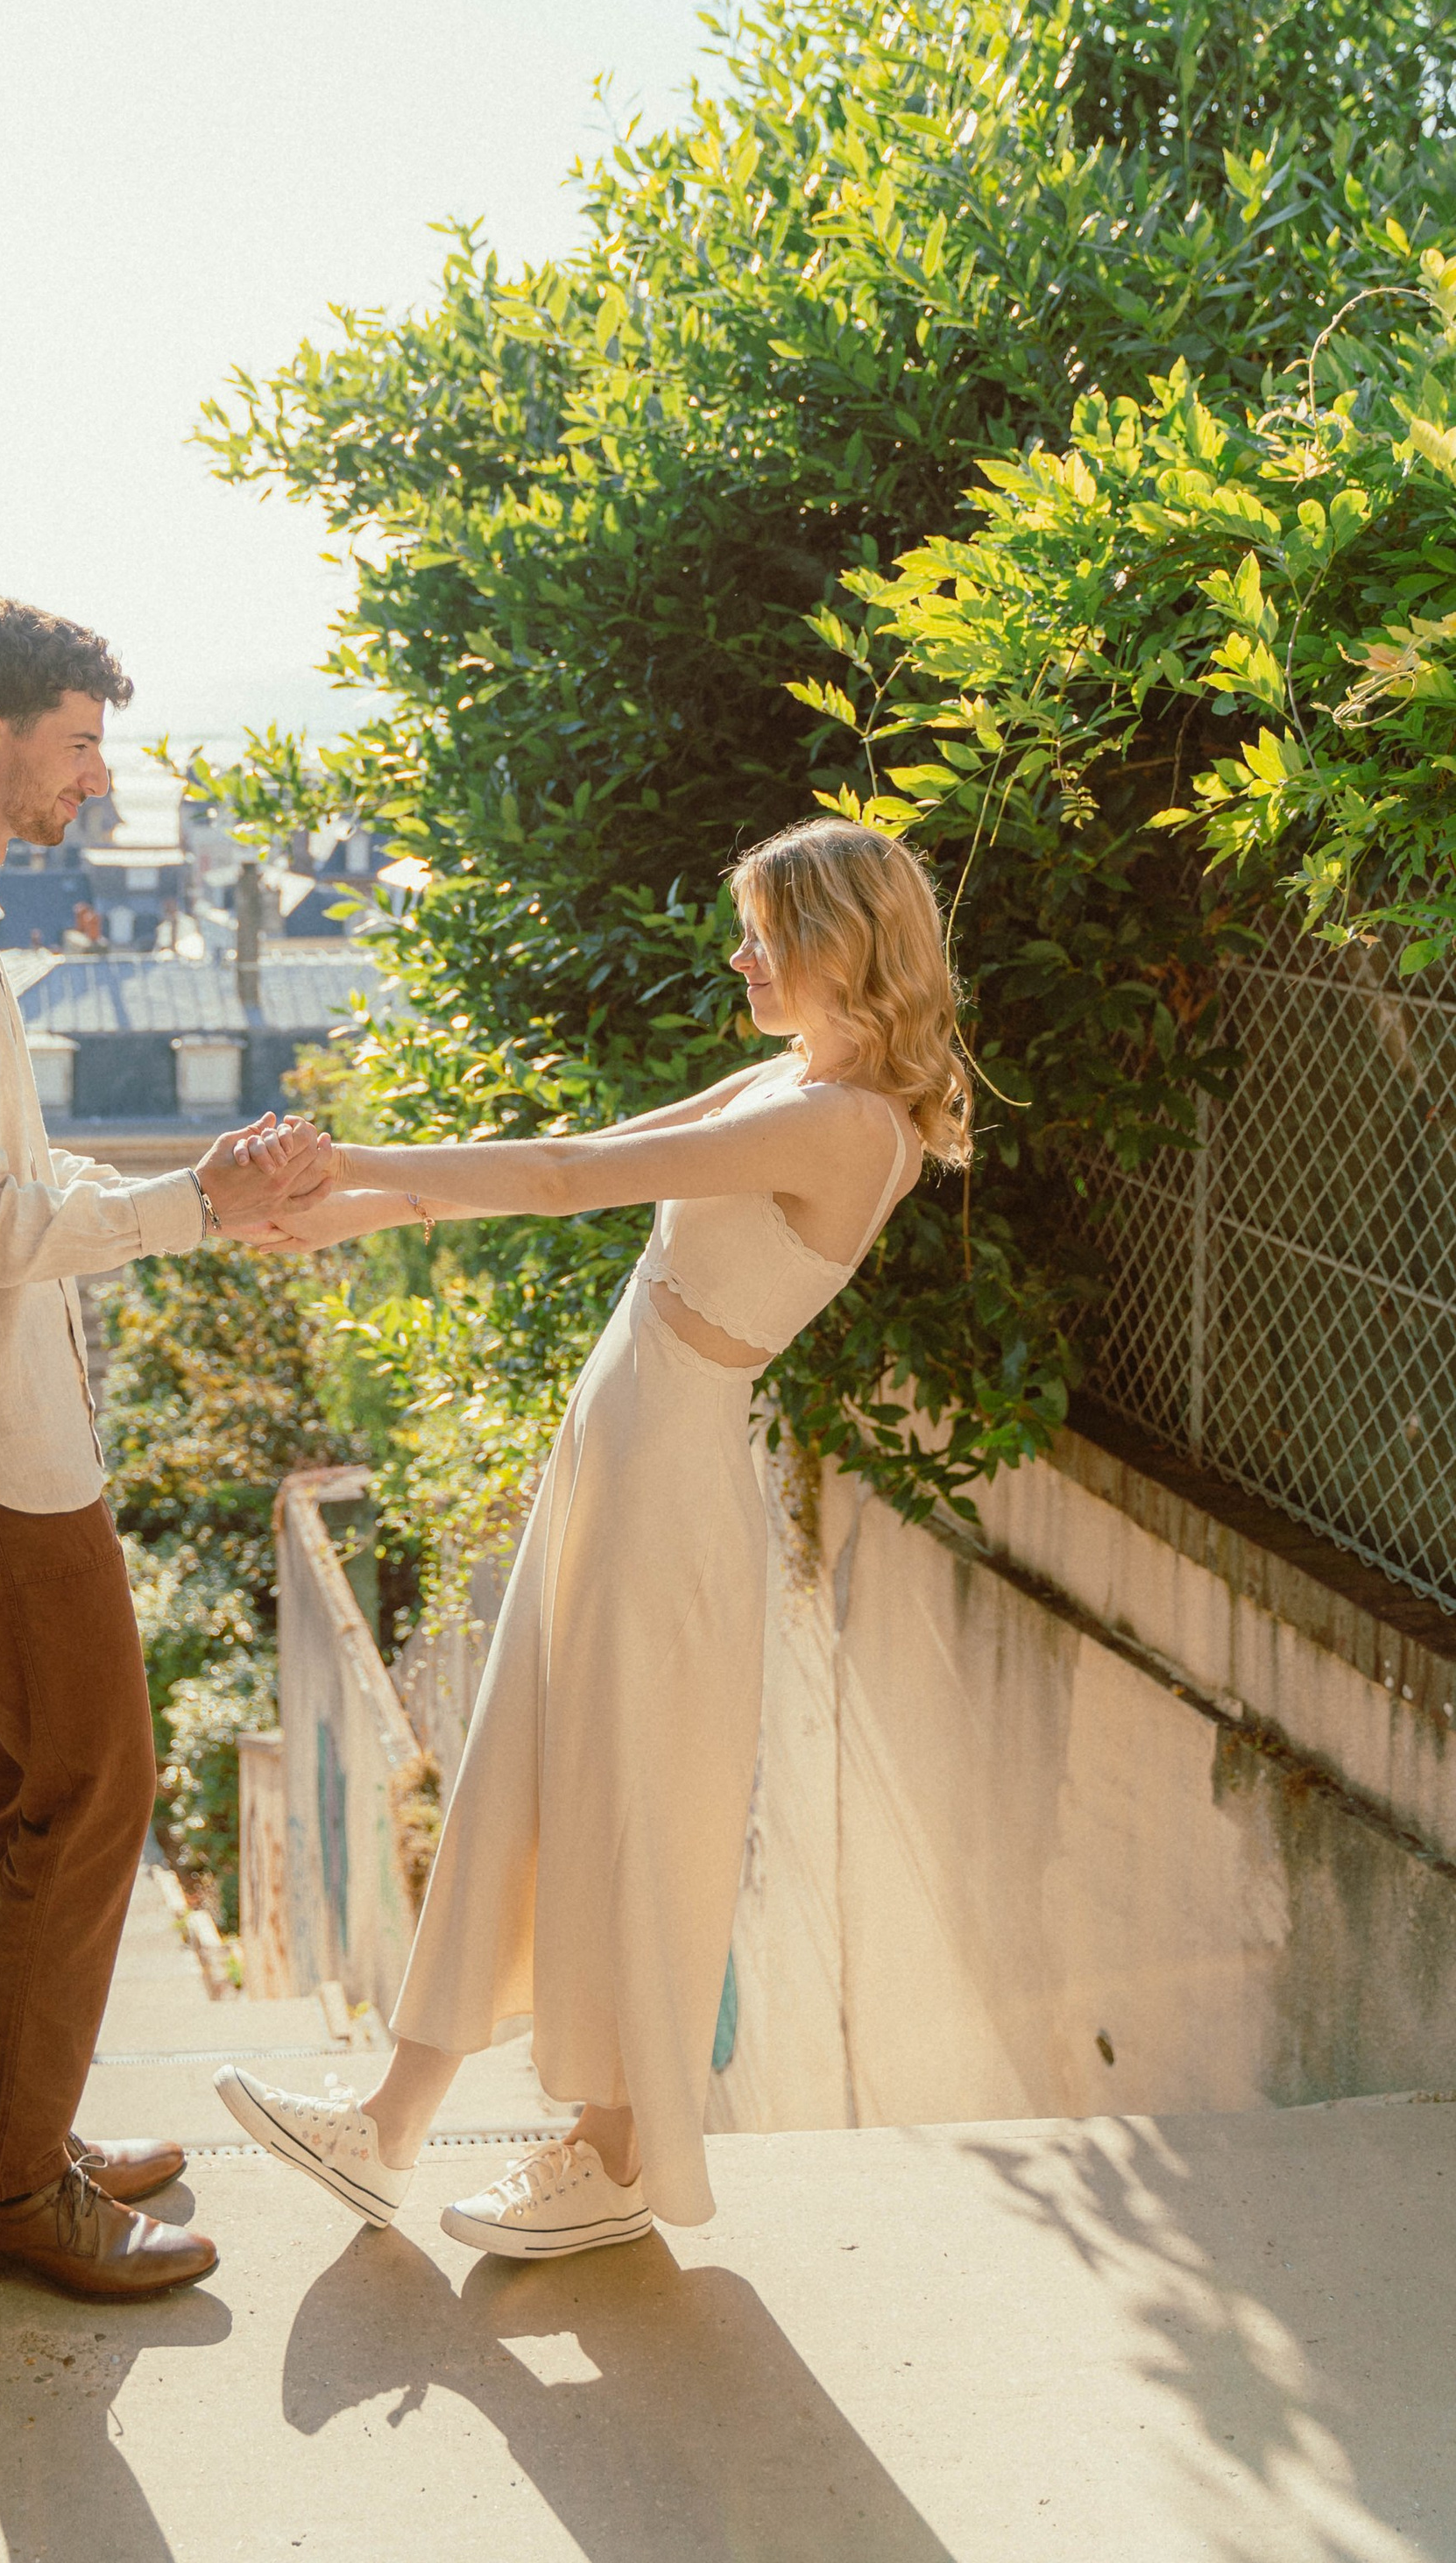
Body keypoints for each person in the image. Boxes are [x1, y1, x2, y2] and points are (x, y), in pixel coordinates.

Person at [216, 817, 967, 2258]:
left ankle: (618, 2155)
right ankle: (387, 2126)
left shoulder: (846, 1123)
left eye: (765, 934)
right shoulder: (796, 1079)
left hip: (666, 1482)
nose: (741, 957)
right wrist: (347, 1212)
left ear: (839, 943)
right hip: (615, 1459)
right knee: (516, 1772)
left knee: (630, 1802)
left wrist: (341, 1156)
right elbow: (600, 1153)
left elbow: (567, 1176)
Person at [0, 598, 317, 2301]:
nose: (97, 778)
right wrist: (186, 1205)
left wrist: (200, 1196)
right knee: (99, 1786)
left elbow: (5, 1180)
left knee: (11, 1788)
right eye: (80, 744)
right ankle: (13, 2186)